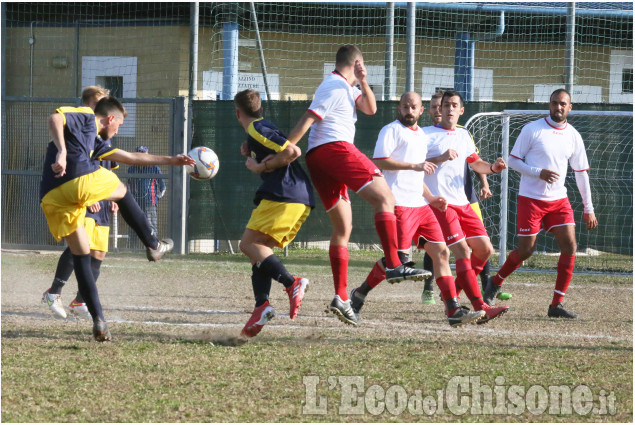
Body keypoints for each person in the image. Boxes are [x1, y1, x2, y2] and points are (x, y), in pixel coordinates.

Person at [287, 45, 429, 326]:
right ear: (358, 62)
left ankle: (341, 296)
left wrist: (363, 81)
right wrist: (286, 148)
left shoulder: (346, 87)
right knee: (385, 198)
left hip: (322, 157)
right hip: (335, 149)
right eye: (362, 68)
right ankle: (394, 264)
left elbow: (370, 108)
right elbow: (309, 118)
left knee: (343, 229)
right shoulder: (334, 87)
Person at [40, 95, 195, 341]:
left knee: (82, 257)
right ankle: (153, 244)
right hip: (76, 179)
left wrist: (172, 161)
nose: (117, 129)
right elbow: (55, 118)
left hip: (53, 198)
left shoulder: (95, 143)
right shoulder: (88, 116)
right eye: (119, 125)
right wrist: (61, 152)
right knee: (121, 190)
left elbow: (132, 157)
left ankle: (99, 321)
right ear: (110, 118)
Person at [349, 92, 486, 327]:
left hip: (421, 206)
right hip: (398, 204)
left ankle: (452, 308)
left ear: (421, 110)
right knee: (398, 260)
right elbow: (379, 161)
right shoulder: (390, 130)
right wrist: (415, 165)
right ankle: (359, 294)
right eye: (405, 107)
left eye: (413, 107)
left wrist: (431, 198)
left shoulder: (421, 135)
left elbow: (420, 173)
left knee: (441, 253)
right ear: (398, 109)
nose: (409, 111)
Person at [483, 88, 598, 318]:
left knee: (570, 247)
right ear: (549, 104)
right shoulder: (533, 129)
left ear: (570, 107)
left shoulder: (574, 135)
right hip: (531, 199)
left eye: (563, 104)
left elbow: (581, 173)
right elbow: (514, 161)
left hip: (559, 201)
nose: (558, 107)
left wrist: (589, 209)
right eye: (555, 103)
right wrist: (538, 173)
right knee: (526, 250)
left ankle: (556, 305)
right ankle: (495, 282)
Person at [233, 89, 316, 338]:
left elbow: (292, 152)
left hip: (284, 195)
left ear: (238, 113)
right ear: (260, 109)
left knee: (247, 244)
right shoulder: (259, 130)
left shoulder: (257, 128)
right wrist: (254, 151)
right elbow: (277, 147)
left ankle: (292, 283)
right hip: (295, 196)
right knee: (259, 253)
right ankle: (262, 306)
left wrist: (260, 166)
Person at [423, 90, 509, 323]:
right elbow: (415, 166)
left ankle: (451, 293)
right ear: (438, 110)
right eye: (445, 105)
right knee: (462, 251)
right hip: (441, 205)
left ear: (461, 111)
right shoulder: (425, 135)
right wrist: (439, 158)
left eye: (454, 105)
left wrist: (493, 168)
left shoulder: (463, 135)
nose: (449, 109)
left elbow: (475, 163)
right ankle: (479, 305)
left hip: (463, 203)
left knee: (485, 250)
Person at [42, 86, 115, 320]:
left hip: (100, 197)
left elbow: (109, 167)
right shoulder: (77, 125)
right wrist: (89, 197)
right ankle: (54, 292)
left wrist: (113, 198)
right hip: (84, 196)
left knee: (99, 252)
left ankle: (80, 300)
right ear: (88, 104)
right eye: (97, 104)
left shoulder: (103, 132)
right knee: (78, 248)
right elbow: (77, 170)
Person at [127, 146, 166, 243]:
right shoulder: (132, 169)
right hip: (135, 202)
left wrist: (156, 198)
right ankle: (132, 249)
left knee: (151, 225)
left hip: (150, 202)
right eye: (139, 154)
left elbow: (163, 187)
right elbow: (129, 184)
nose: (141, 157)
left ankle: (154, 246)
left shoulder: (154, 168)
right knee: (134, 224)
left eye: (143, 154)